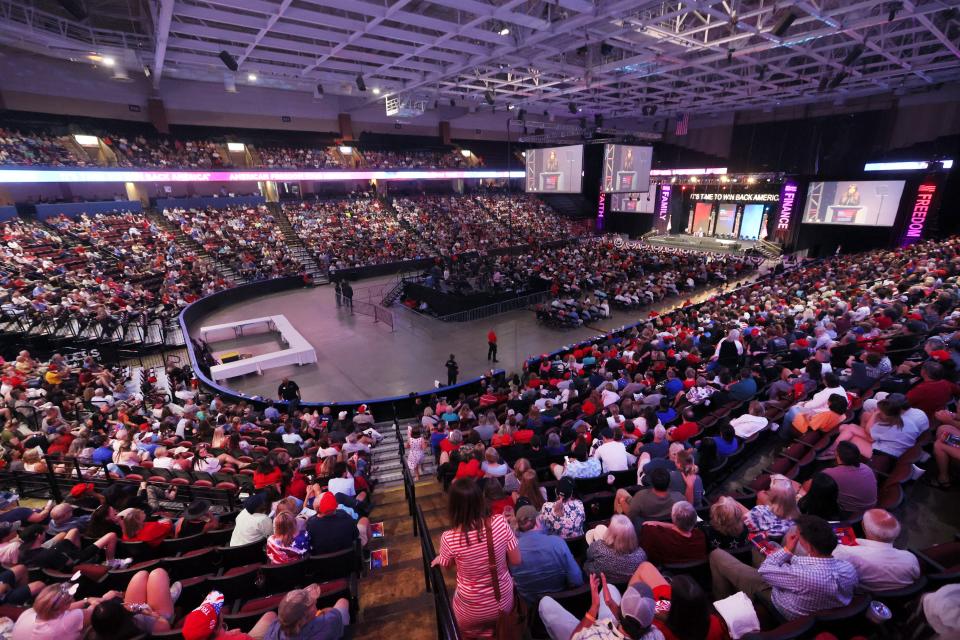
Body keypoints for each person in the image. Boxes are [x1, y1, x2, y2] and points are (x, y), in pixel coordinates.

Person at [710, 515, 858, 620]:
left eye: (799, 536)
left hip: (779, 605)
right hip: (808, 597)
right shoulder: (848, 568)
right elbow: (808, 568)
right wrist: (788, 555)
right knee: (770, 546)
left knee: (716, 555)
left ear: (809, 546)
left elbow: (765, 571)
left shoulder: (802, 575)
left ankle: (726, 609)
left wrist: (787, 550)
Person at [431, 478, 521, 639]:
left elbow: (448, 566)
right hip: (503, 602)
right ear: (480, 500)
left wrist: (442, 558)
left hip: (471, 610)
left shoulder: (449, 538)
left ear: (453, 507)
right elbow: (516, 560)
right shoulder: (500, 522)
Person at [538, 572, 664, 640]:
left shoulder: (592, 635)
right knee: (608, 588)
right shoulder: (657, 635)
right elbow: (633, 624)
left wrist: (594, 608)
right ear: (650, 620)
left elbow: (575, 638)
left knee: (545, 603)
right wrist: (609, 603)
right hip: (613, 628)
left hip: (599, 630)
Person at [509, 505, 583, 604]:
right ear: (537, 521)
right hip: (561, 602)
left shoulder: (511, 550)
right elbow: (577, 580)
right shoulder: (557, 543)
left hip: (532, 606)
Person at [831, 509, 920, 591]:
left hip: (860, 595)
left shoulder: (845, 553)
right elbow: (916, 578)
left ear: (863, 526)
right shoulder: (911, 559)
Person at [262, 586, 350, 640]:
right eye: (312, 603)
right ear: (305, 617)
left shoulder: (272, 631)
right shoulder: (329, 622)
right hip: (334, 628)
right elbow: (333, 613)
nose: (315, 601)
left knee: (269, 614)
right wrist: (322, 612)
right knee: (342, 601)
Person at [637, 501, 706, 565]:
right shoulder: (701, 537)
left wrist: (674, 525)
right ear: (694, 520)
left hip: (664, 574)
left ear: (673, 518)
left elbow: (646, 524)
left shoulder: (657, 535)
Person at [584, 515, 648, 584]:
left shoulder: (599, 547)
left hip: (597, 582)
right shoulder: (641, 555)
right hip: (625, 587)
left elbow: (588, 555)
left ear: (610, 532)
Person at [822, 441, 877, 514]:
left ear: (837, 455)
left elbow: (811, 485)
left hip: (849, 513)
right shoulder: (866, 467)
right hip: (871, 508)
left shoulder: (830, 473)